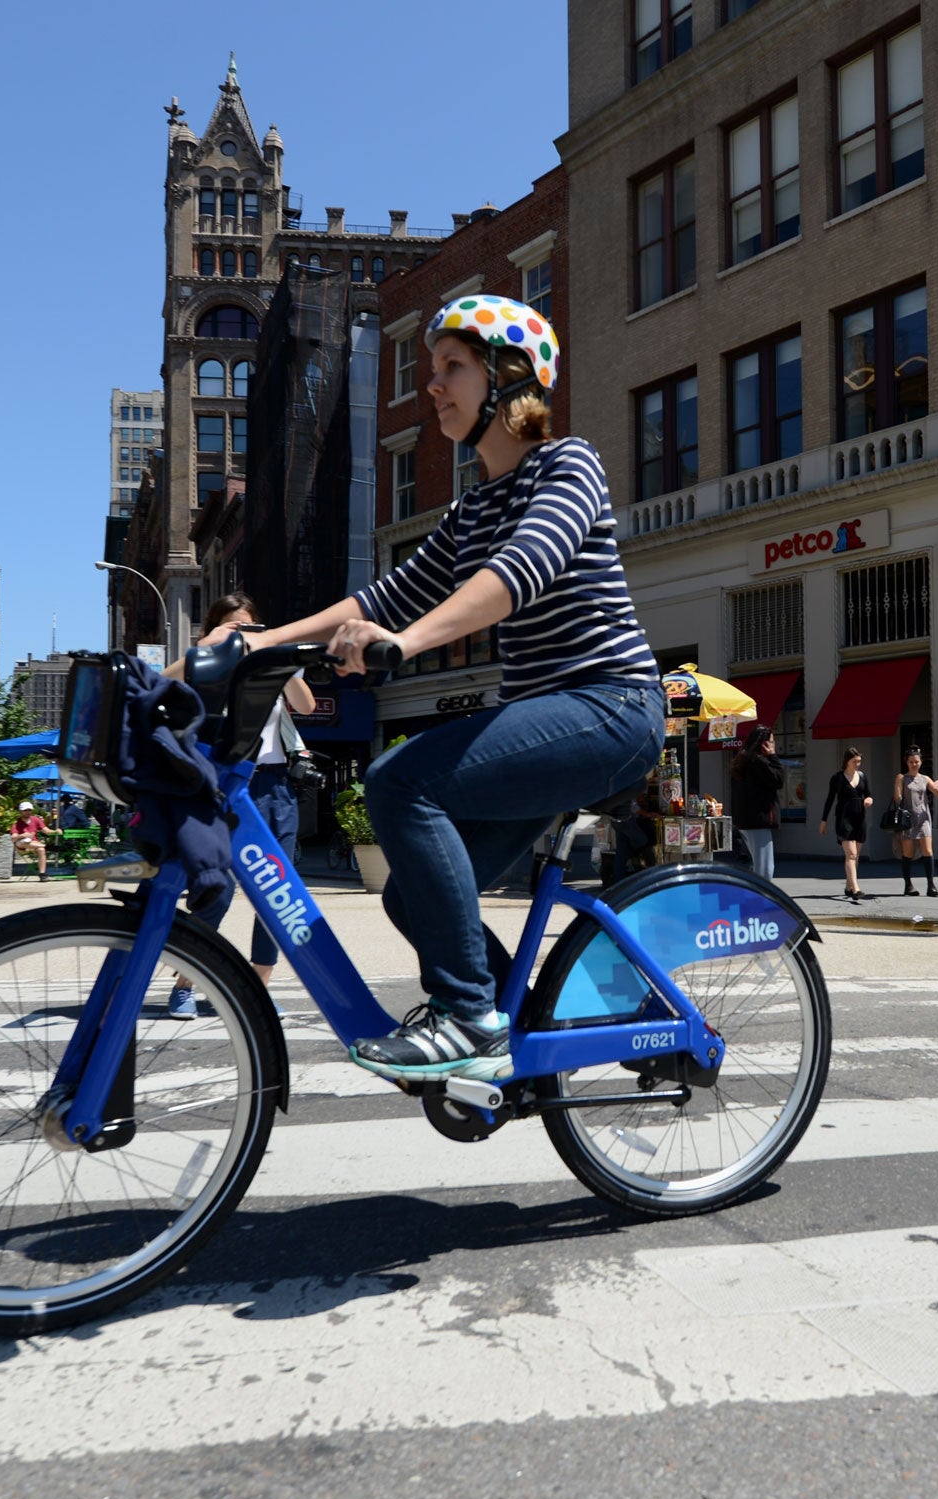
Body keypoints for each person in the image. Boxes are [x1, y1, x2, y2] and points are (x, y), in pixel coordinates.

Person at [227, 295, 664, 1081]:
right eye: (433, 370)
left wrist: (406, 643)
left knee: (400, 780)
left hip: (613, 707)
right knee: (412, 898)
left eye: (452, 367)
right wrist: (262, 641)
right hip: (548, 717)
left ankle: (468, 1018)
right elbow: (383, 596)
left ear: (510, 378)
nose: (433, 386)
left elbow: (520, 572)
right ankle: (528, 1031)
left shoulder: (569, 465)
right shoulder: (472, 509)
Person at [167, 591, 317, 1018]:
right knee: (216, 890)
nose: (242, 635)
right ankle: (185, 982)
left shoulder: (268, 664)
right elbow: (162, 684)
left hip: (274, 786)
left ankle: (257, 988)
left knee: (277, 893)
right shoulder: (205, 664)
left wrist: (273, 651)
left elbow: (306, 705)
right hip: (221, 784)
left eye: (248, 626)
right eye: (233, 626)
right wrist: (208, 646)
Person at [818, 746, 874, 903]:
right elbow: (830, 800)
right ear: (847, 761)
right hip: (844, 819)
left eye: (859, 761)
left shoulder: (862, 776)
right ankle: (856, 889)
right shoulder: (837, 778)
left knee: (856, 855)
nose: (858, 764)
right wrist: (824, 821)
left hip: (859, 819)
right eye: (855, 761)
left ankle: (849, 887)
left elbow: (869, 795)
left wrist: (869, 800)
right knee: (851, 854)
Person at [731, 725, 787, 880]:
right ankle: (759, 894)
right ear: (764, 744)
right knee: (765, 869)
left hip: (745, 820)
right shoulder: (759, 762)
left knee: (757, 865)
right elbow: (779, 779)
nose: (774, 745)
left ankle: (751, 892)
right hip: (758, 820)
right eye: (772, 741)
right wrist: (773, 756)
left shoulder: (743, 761)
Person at [893, 744, 938, 897]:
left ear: (921, 762)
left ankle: (931, 885)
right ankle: (908, 885)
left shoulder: (925, 779)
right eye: (911, 762)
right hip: (908, 819)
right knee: (908, 852)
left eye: (916, 761)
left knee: (927, 851)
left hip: (923, 818)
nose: (914, 764)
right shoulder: (902, 778)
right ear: (907, 762)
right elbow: (897, 800)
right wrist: (898, 786)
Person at [11, 800, 50, 879]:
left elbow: (46, 831)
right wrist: (22, 835)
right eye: (25, 810)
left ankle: (42, 873)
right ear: (21, 811)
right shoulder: (17, 823)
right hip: (22, 846)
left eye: (29, 810)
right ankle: (48, 847)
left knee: (41, 850)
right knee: (24, 841)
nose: (27, 812)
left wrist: (56, 831)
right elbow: (13, 838)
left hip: (34, 844)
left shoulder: (35, 819)